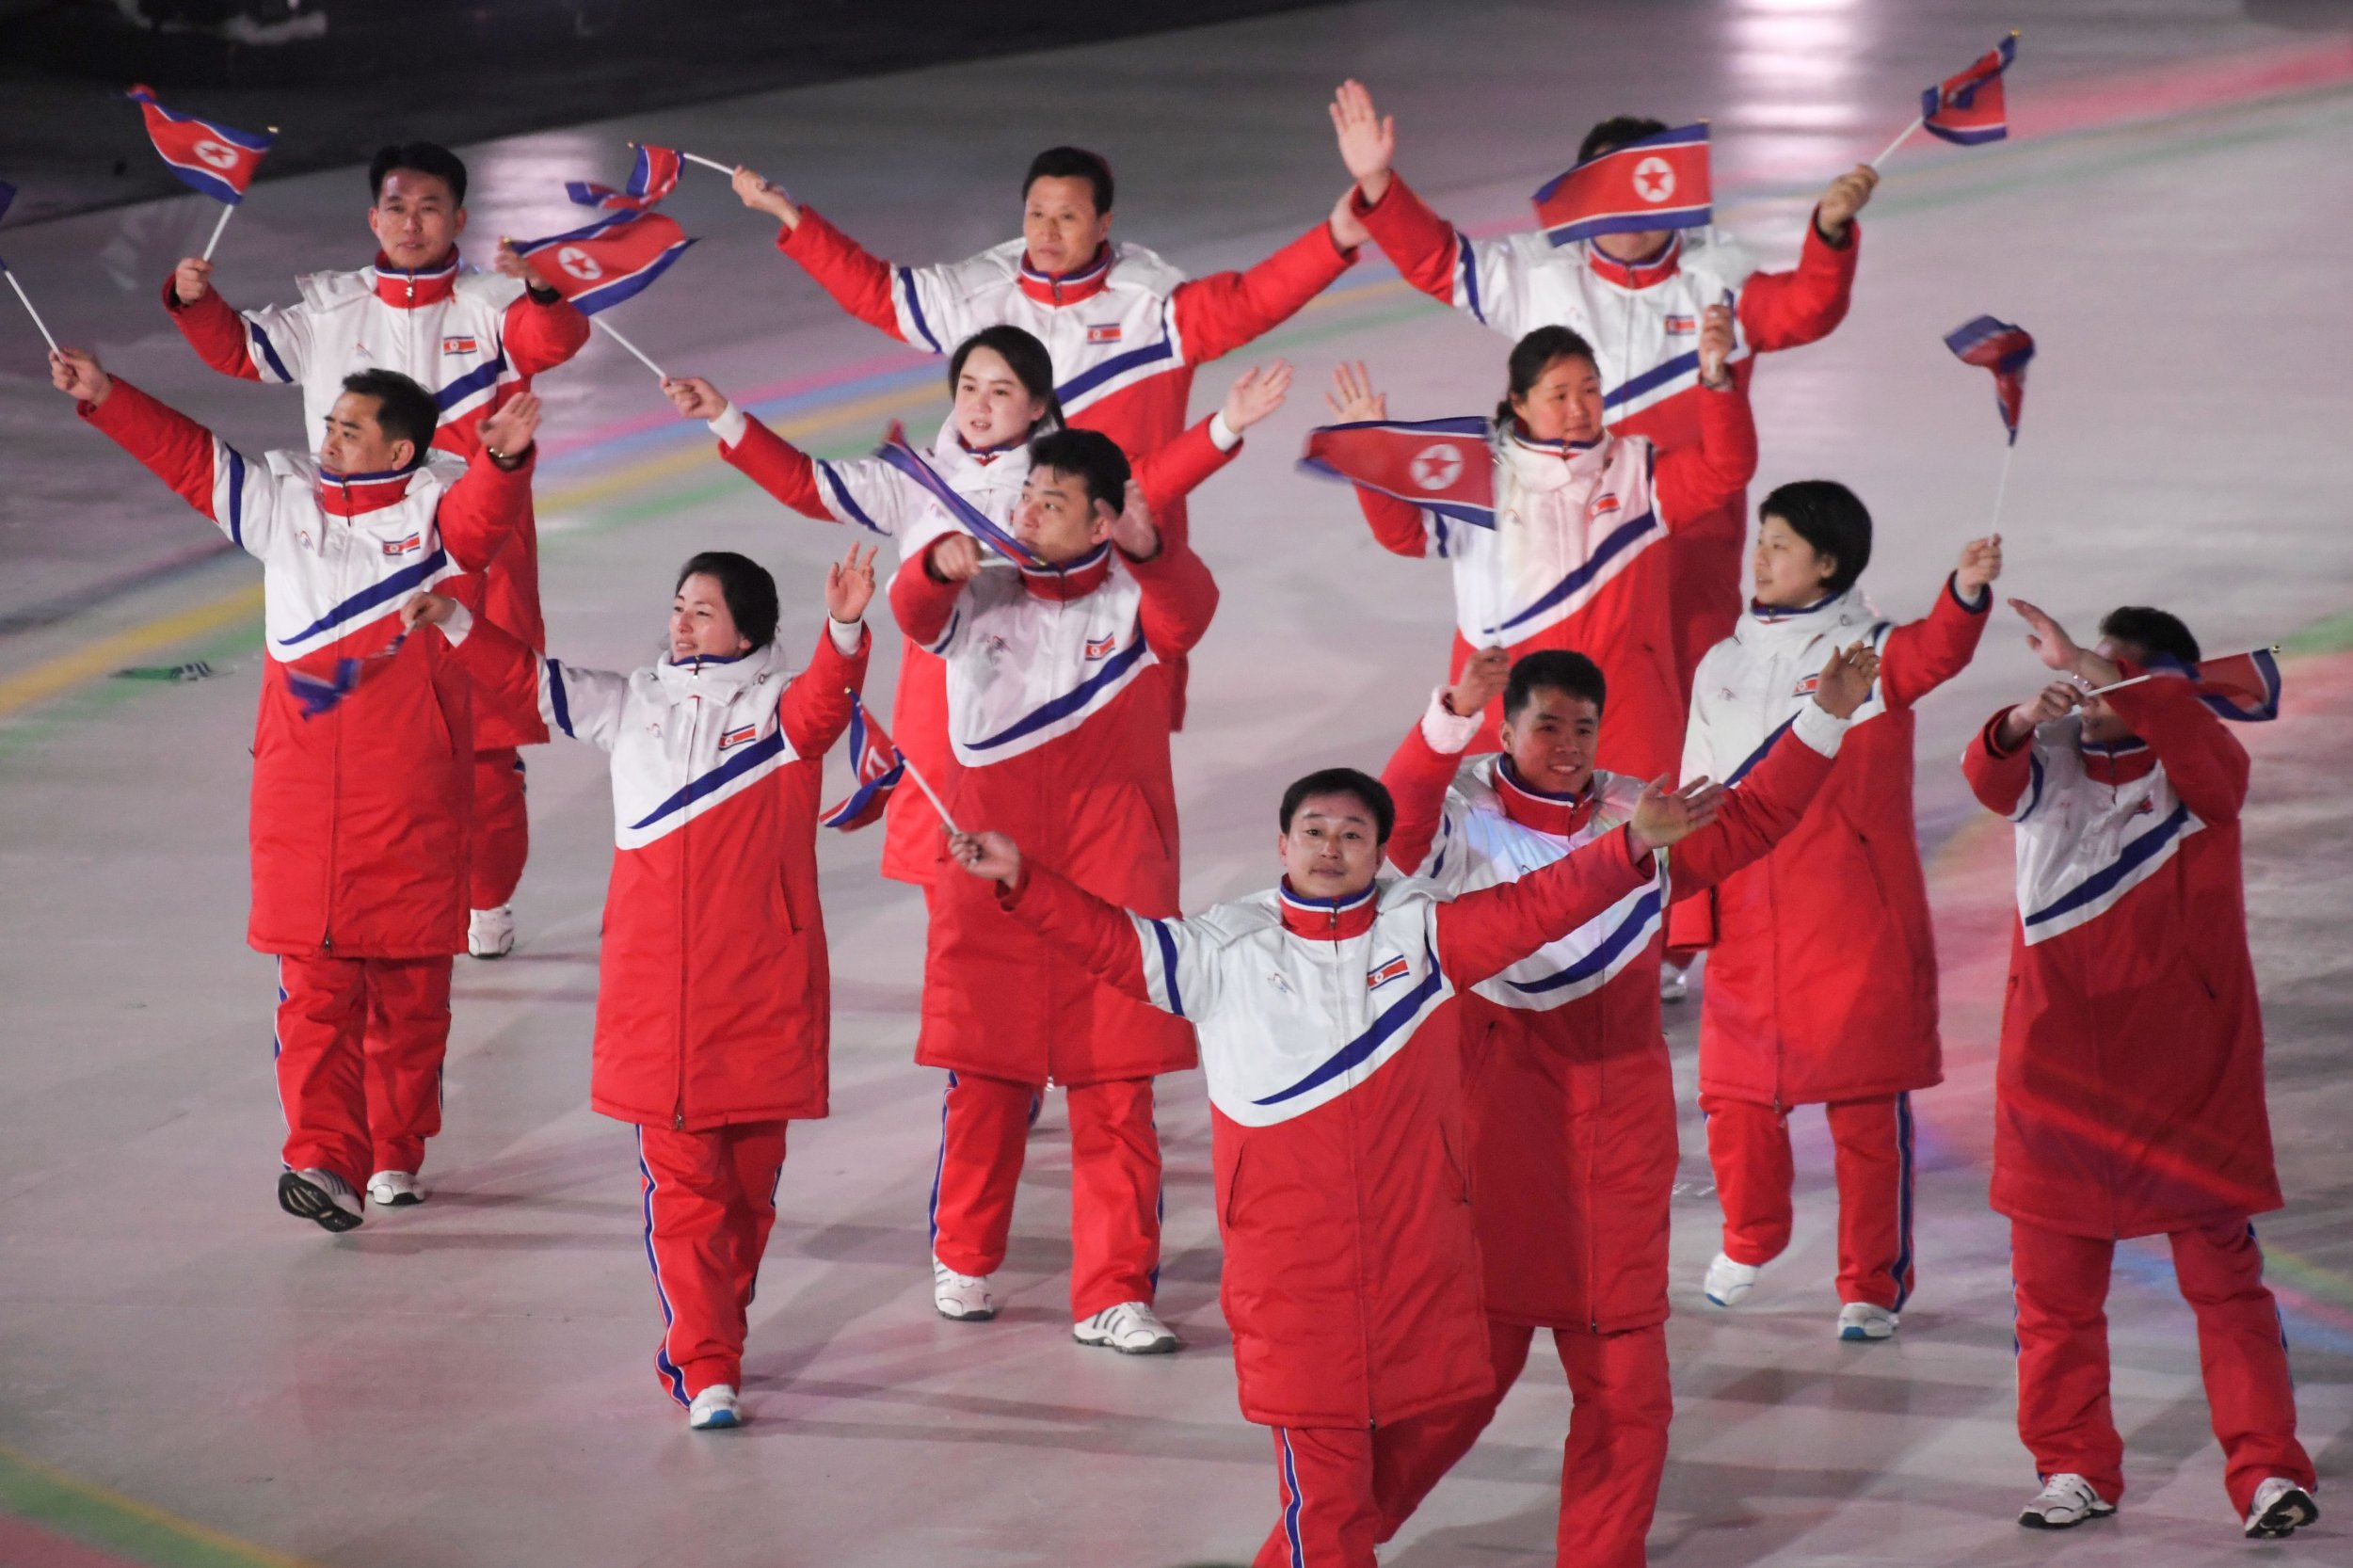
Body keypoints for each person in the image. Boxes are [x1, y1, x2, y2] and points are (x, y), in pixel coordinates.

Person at [945, 766, 1719, 1568]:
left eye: (1352, 834)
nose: (1329, 847)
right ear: (1282, 843)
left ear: (1382, 852)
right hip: (1294, 1280)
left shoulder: (1422, 938)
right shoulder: (1225, 949)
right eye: (1313, 830)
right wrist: (1022, 879)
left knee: (1369, 1481)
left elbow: (1534, 909)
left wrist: (1627, 844)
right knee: (1329, 1500)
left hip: (1413, 1270)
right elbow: (1112, 942)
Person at [1373, 638, 1878, 1566]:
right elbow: (1393, 822)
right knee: (1461, 1385)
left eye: (1582, 727)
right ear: (1506, 726)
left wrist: (1825, 715)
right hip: (1494, 1149)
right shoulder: (1457, 817)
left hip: (1618, 1152)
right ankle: (1333, 1534)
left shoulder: (1635, 810)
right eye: (1545, 726)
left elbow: (1752, 816)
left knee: (1627, 1390)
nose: (1565, 744)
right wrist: (1445, 711)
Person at [50, 345, 538, 1226]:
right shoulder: (285, 508)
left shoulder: (436, 512)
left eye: (351, 430)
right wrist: (108, 395)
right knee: (314, 992)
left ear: (399, 452)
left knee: (410, 1002)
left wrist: (503, 461)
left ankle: (395, 1150)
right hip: (303, 798)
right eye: (330, 424)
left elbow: (479, 526)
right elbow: (192, 459)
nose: (331, 440)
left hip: (412, 795)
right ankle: (323, 1160)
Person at [400, 547, 872, 1431]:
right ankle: (707, 1365)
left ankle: (714, 1333)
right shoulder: (632, 703)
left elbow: (825, 705)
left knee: (750, 1193)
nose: (681, 622)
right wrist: (458, 622)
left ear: (748, 630)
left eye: (702, 610)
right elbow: (531, 681)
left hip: (762, 991)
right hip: (656, 997)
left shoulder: (778, 712)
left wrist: (845, 630)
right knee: (683, 1184)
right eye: (678, 604)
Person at [730, 142, 1364, 742]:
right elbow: (878, 291)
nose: (1048, 232)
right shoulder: (983, 291)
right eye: (1037, 214)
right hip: (1008, 578)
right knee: (993, 744)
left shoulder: (1152, 305)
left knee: (1113, 750)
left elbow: (1253, 300)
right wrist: (792, 217)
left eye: (1068, 216)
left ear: (1105, 221)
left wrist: (1335, 239)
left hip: (1122, 563)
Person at [160, 139, 590, 963]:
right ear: (372, 218)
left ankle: (487, 901)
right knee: (361, 744)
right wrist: (193, 302)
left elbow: (552, 338)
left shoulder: (494, 303)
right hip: (346, 566)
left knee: (487, 747)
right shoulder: (330, 311)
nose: (412, 222)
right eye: (396, 206)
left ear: (459, 219)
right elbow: (238, 352)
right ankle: (371, 901)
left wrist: (542, 284)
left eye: (430, 207)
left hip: (470, 551)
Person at [661, 327, 1289, 885]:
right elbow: (808, 483)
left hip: (1062, 688)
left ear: (1038, 404)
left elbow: (1147, 484)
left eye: (999, 391)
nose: (978, 406)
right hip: (943, 699)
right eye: (967, 387)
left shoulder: (1062, 479)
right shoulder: (919, 480)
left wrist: (1224, 426)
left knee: (1074, 872)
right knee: (961, 871)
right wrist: (724, 416)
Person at [887, 419, 1260, 1350]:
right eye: (1027, 496)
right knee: (984, 1080)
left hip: (1114, 878)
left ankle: (1113, 1292)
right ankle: (964, 1257)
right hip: (988, 875)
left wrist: (1148, 547)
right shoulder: (978, 598)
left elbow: (1193, 612)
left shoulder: (1138, 602)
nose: (1028, 513)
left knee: (1117, 1093)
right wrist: (936, 563)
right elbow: (913, 614)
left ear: (1102, 521)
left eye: (1052, 501)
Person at [1962, 600, 2317, 1540]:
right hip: (2054, 1087)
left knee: (2226, 1292)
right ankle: (2073, 1464)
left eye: (2109, 669)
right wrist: (2017, 719)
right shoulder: (2047, 764)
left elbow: (2217, 768)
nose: (2087, 682)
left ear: (2160, 684)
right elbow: (1985, 775)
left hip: (2186, 1087)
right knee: (2053, 1305)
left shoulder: (2200, 772)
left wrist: (2115, 673)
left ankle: (2266, 1470)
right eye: (2086, 667)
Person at [1329, 80, 1871, 691]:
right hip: (1563, 540)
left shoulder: (1717, 276)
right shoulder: (1540, 274)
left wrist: (1828, 234)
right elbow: (1438, 261)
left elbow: (1807, 308)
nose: (1630, 213)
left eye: (1645, 186)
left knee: (1693, 697)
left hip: (1690, 526)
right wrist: (1378, 184)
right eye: (1611, 189)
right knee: (1553, 704)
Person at [1672, 482, 2000, 1337]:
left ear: (1829, 563)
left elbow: (1934, 656)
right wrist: (1687, 921)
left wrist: (1962, 594)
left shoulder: (1868, 650)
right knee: (1736, 1101)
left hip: (1850, 917)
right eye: (1762, 539)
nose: (1761, 556)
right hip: (1747, 911)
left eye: (1780, 544)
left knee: (1863, 1111)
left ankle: (1870, 1284)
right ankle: (1752, 1235)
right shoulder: (1722, 663)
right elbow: (1693, 795)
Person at [1321, 318, 1754, 783]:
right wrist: (1370, 453)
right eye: (1559, 394)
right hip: (1515, 716)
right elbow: (1407, 535)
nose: (1578, 408)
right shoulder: (1481, 477)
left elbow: (1726, 469)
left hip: (1628, 719)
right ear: (1520, 402)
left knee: (1639, 852)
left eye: (1589, 390)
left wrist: (1717, 386)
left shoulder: (1635, 469)